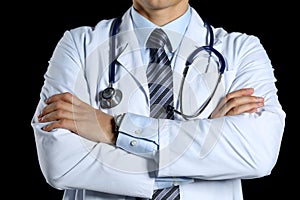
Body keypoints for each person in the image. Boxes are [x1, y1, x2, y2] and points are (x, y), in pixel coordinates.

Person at [31, 0, 286, 199]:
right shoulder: (79, 44)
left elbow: (257, 155)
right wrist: (208, 145)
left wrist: (114, 129)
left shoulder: (242, 50)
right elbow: (61, 163)